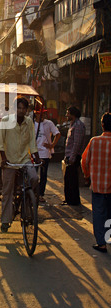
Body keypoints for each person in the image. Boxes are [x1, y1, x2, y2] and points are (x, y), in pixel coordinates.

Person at [0, 96, 41, 232]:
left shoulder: (29, 123)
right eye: (19, 108)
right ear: (15, 109)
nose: (21, 111)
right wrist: (3, 158)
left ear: (27, 110)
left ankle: (28, 205)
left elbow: (32, 143)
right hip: (9, 160)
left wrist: (37, 158)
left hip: (24, 159)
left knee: (34, 178)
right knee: (7, 191)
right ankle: (5, 221)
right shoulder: (5, 121)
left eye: (23, 108)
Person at [81, 112, 111, 253]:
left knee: (99, 214)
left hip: (98, 185)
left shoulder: (94, 141)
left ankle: (102, 244)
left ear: (102, 124)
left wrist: (87, 176)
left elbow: (84, 161)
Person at [34, 109, 61, 202]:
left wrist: (52, 145)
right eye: (40, 113)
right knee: (33, 174)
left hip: (45, 153)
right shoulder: (31, 124)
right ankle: (33, 193)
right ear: (36, 114)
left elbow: (57, 134)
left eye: (44, 113)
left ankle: (41, 194)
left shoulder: (49, 123)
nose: (43, 115)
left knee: (43, 175)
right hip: (34, 153)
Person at [62, 106, 86, 206]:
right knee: (68, 179)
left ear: (73, 114)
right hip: (69, 155)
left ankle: (74, 201)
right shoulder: (72, 124)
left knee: (72, 179)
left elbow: (77, 143)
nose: (66, 115)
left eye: (68, 113)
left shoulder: (79, 125)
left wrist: (72, 157)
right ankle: (69, 199)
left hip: (74, 156)